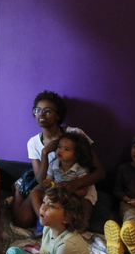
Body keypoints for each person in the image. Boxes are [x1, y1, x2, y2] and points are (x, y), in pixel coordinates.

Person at [10, 90, 105, 229]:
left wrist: (76, 184)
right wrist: (45, 153)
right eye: (37, 110)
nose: (41, 114)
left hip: (77, 185)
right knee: (22, 220)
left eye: (47, 110)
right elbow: (41, 181)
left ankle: (51, 221)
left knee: (79, 222)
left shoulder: (74, 134)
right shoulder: (33, 143)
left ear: (58, 115)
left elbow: (100, 173)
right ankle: (19, 190)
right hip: (52, 187)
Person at [3, 186, 92, 254]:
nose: (42, 207)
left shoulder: (68, 244)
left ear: (66, 218)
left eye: (51, 206)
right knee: (12, 253)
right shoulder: (48, 228)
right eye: (43, 201)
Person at [29, 132, 95, 238]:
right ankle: (44, 223)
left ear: (77, 155)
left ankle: (71, 229)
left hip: (70, 199)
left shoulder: (80, 170)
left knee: (85, 204)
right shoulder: (53, 165)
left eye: (66, 149)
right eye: (59, 147)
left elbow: (84, 191)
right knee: (35, 192)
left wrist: (71, 191)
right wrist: (48, 183)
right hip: (55, 195)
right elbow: (49, 180)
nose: (60, 150)